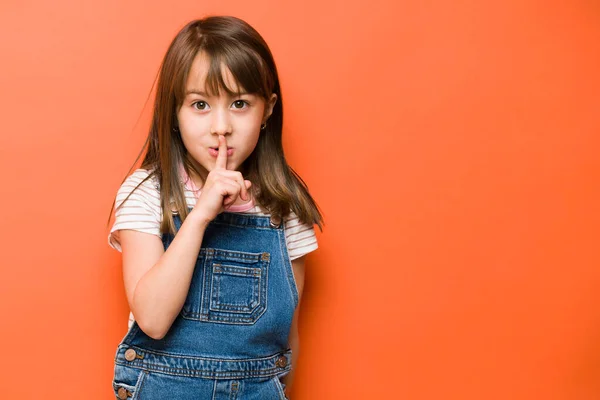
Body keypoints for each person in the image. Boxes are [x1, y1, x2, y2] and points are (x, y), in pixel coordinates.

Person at [107, 16, 323, 399]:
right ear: (175, 111)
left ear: (267, 110)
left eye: (240, 103)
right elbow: (153, 320)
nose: (221, 126)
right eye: (201, 104)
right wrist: (201, 215)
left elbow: (285, 338)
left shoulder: (284, 207)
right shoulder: (147, 192)